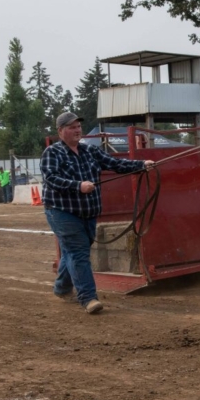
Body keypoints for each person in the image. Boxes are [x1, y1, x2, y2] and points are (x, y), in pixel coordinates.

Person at [41, 112, 155, 314]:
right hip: (62, 212)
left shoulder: (90, 151)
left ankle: (61, 287)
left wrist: (141, 165)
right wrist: (78, 186)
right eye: (71, 127)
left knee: (72, 251)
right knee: (78, 252)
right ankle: (88, 298)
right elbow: (51, 179)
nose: (77, 130)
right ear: (60, 131)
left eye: (78, 126)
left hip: (88, 212)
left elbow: (115, 164)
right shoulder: (52, 153)